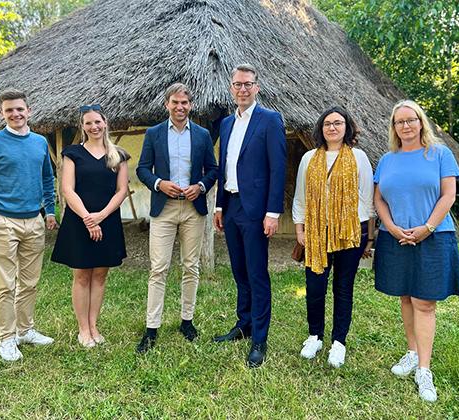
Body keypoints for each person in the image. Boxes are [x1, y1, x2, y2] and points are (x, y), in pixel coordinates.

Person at [373, 99, 459, 402]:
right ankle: (411, 352)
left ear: (421, 122)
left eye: (411, 119)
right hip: (396, 237)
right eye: (400, 121)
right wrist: (392, 227)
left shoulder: (439, 154)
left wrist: (427, 228)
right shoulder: (387, 159)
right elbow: (379, 200)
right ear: (394, 127)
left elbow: (448, 195)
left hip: (433, 236)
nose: (406, 125)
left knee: (424, 302)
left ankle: (424, 369)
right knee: (406, 295)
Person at [0, 89, 57, 362]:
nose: (15, 114)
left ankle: (25, 330)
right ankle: (6, 339)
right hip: (2, 220)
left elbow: (47, 179)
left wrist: (49, 211)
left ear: (29, 111)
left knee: (29, 282)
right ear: (1, 113)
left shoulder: (40, 142)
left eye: (20, 109)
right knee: (4, 284)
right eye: (9, 110)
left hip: (34, 220)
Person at [213, 64, 287, 368]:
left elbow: (277, 168)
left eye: (248, 84)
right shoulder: (227, 123)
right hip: (230, 207)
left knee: (257, 273)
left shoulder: (270, 120)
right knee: (239, 271)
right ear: (231, 88)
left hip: (256, 211)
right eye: (237, 84)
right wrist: (219, 206)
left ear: (256, 87)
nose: (242, 89)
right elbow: (224, 165)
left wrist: (272, 212)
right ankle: (243, 325)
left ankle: (259, 338)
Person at [135, 83, 218, 353]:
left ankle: (187, 321)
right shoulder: (154, 133)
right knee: (158, 268)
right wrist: (159, 183)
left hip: (193, 209)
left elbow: (213, 169)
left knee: (190, 267)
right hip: (165, 208)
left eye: (184, 103)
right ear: (166, 104)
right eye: (175, 102)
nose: (180, 107)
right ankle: (151, 328)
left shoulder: (203, 135)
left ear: (190, 105)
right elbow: (143, 169)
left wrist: (201, 186)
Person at [292, 106, 375, 368]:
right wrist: (299, 228)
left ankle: (339, 341)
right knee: (315, 286)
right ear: (321, 128)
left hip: (350, 231)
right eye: (327, 124)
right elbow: (300, 196)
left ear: (346, 127)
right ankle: (314, 335)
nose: (332, 127)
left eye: (338, 123)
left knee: (343, 287)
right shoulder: (309, 158)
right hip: (316, 231)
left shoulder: (359, 157)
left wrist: (367, 237)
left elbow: (367, 198)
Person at [51, 104, 129, 348]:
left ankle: (94, 325)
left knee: (101, 275)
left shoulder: (118, 155)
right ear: (82, 127)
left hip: (108, 220)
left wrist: (101, 216)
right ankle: (82, 329)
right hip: (79, 220)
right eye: (88, 123)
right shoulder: (72, 153)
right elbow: (67, 189)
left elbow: (122, 190)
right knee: (82, 275)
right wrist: (88, 218)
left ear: (105, 122)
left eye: (97, 121)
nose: (93, 126)